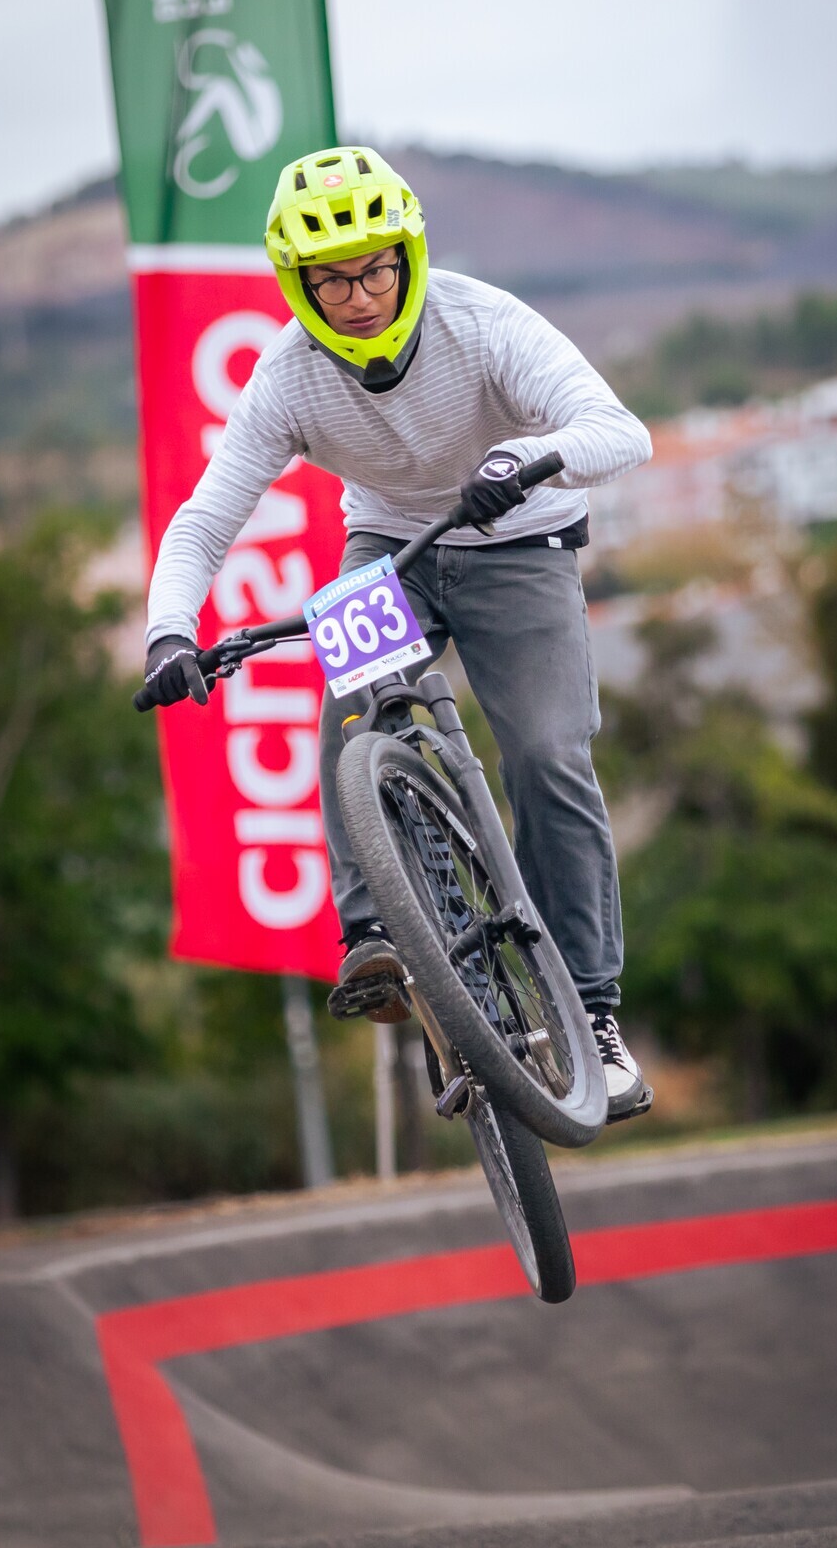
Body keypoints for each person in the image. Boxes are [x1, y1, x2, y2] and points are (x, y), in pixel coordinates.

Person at [142, 145, 653, 1120]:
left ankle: (590, 1011)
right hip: (390, 545)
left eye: (374, 266)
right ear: (300, 285)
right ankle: (376, 934)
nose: (359, 294)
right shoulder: (287, 379)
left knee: (548, 755)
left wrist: (530, 457)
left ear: (406, 256)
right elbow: (207, 517)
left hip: (518, 541)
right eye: (331, 278)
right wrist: (171, 634)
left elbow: (621, 431)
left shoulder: (481, 323)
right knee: (349, 700)